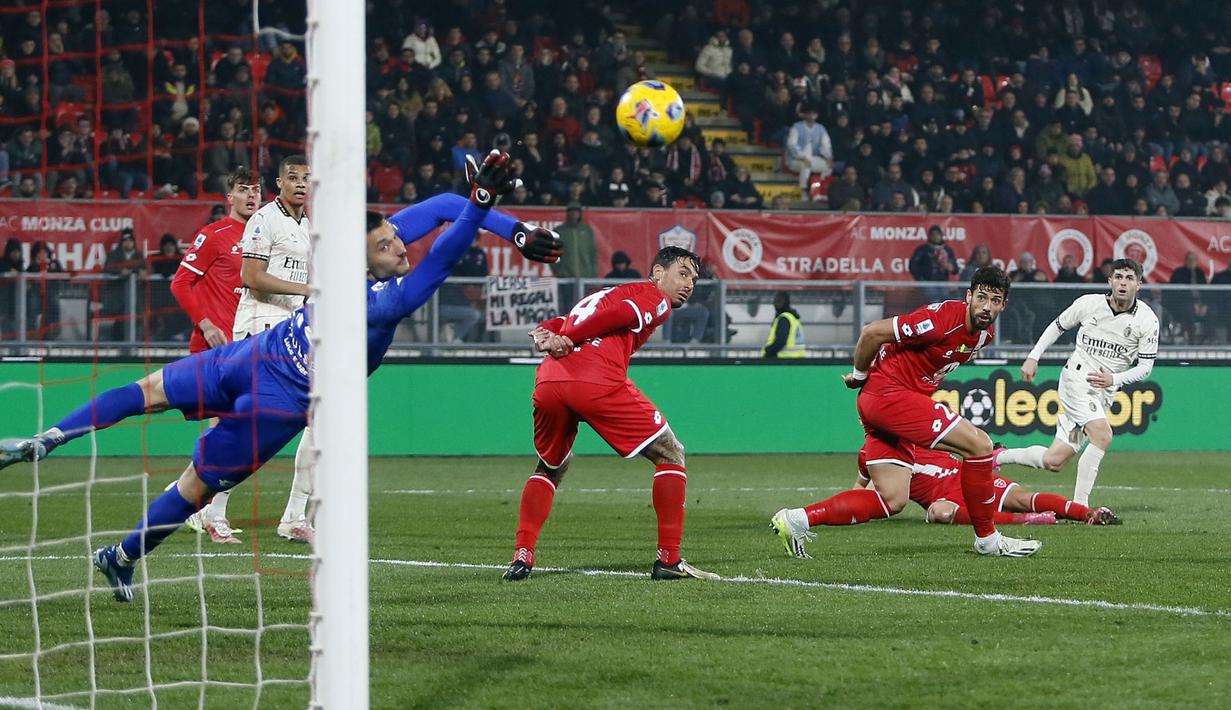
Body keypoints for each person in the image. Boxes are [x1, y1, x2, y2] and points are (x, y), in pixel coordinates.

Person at [0, 150, 522, 603]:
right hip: (277, 398)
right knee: (192, 483)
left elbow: (437, 211)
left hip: (258, 355)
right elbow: (446, 253)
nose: (401, 246)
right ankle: (114, 544)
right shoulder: (385, 304)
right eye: (387, 244)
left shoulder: (349, 264)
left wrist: (498, 216)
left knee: (149, 393)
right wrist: (479, 207)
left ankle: (54, 440)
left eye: (395, 238)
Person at [771, 267, 1042, 558]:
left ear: (1004, 304)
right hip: (889, 396)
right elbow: (873, 333)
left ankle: (796, 520)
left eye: (995, 300)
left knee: (892, 499)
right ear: (969, 296)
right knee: (980, 445)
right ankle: (988, 540)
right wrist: (860, 375)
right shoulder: (941, 321)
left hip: (884, 402)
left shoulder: (983, 335)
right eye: (981, 297)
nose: (987, 306)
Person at [503, 246, 717, 582]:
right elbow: (620, 318)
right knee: (671, 453)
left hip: (550, 380)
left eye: (694, 278)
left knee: (552, 465)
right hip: (595, 379)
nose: (689, 283)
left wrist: (545, 334)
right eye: (683, 273)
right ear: (658, 273)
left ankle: (522, 556)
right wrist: (567, 337)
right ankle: (669, 561)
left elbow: (560, 322)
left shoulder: (604, 293)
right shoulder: (654, 297)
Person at [997, 259, 1158, 506]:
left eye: (1128, 278)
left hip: (1104, 391)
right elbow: (1057, 326)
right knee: (1103, 436)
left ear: (1139, 284)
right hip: (1076, 379)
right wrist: (1033, 356)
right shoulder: (1089, 304)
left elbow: (1146, 368)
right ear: (1110, 281)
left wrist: (1113, 379)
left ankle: (998, 457)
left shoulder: (1147, 320)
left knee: (1054, 460)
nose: (1122, 282)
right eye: (1118, 277)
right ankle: (1080, 507)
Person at [849, 446, 1121, 533]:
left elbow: (954, 437)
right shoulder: (870, 454)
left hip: (965, 476)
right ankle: (1028, 520)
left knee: (1025, 498)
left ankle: (1089, 513)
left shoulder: (914, 429)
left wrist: (987, 455)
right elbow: (864, 490)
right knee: (938, 512)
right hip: (946, 497)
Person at [784, 103, 832, 199]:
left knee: (828, 167)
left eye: (814, 114)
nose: (811, 116)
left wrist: (828, 157)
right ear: (805, 115)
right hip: (795, 159)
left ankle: (818, 190)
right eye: (809, 114)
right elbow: (791, 144)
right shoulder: (797, 127)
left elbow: (825, 145)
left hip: (813, 158)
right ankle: (803, 190)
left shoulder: (820, 129)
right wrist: (802, 157)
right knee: (805, 166)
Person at [762, 291, 805, 358]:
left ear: (785, 303)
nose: (775, 304)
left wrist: (767, 352)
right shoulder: (793, 317)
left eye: (779, 301)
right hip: (796, 359)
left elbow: (780, 342)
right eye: (775, 301)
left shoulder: (784, 318)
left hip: (784, 360)